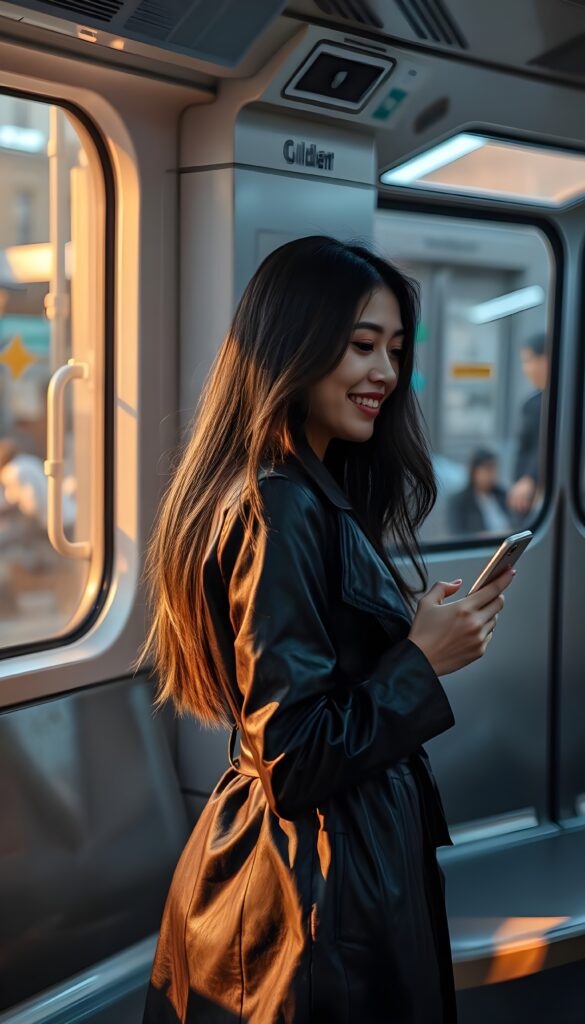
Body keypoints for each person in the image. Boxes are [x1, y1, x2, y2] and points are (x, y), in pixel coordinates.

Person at [140, 237, 514, 1024]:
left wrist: (405, 634)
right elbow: (295, 758)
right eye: (361, 345)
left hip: (326, 867)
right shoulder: (282, 505)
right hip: (313, 888)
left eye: (396, 350)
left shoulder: (305, 492)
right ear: (295, 344)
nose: (385, 373)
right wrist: (421, 658)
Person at [507, 335, 548, 519]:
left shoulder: (552, 404)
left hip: (537, 489)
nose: (525, 370)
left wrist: (530, 478)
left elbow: (548, 443)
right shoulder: (533, 401)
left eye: (528, 361)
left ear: (545, 359)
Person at [447, 448, 510, 537]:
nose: (492, 474)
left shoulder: (503, 495)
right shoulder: (460, 501)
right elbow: (457, 535)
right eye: (487, 469)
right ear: (474, 471)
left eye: (494, 468)